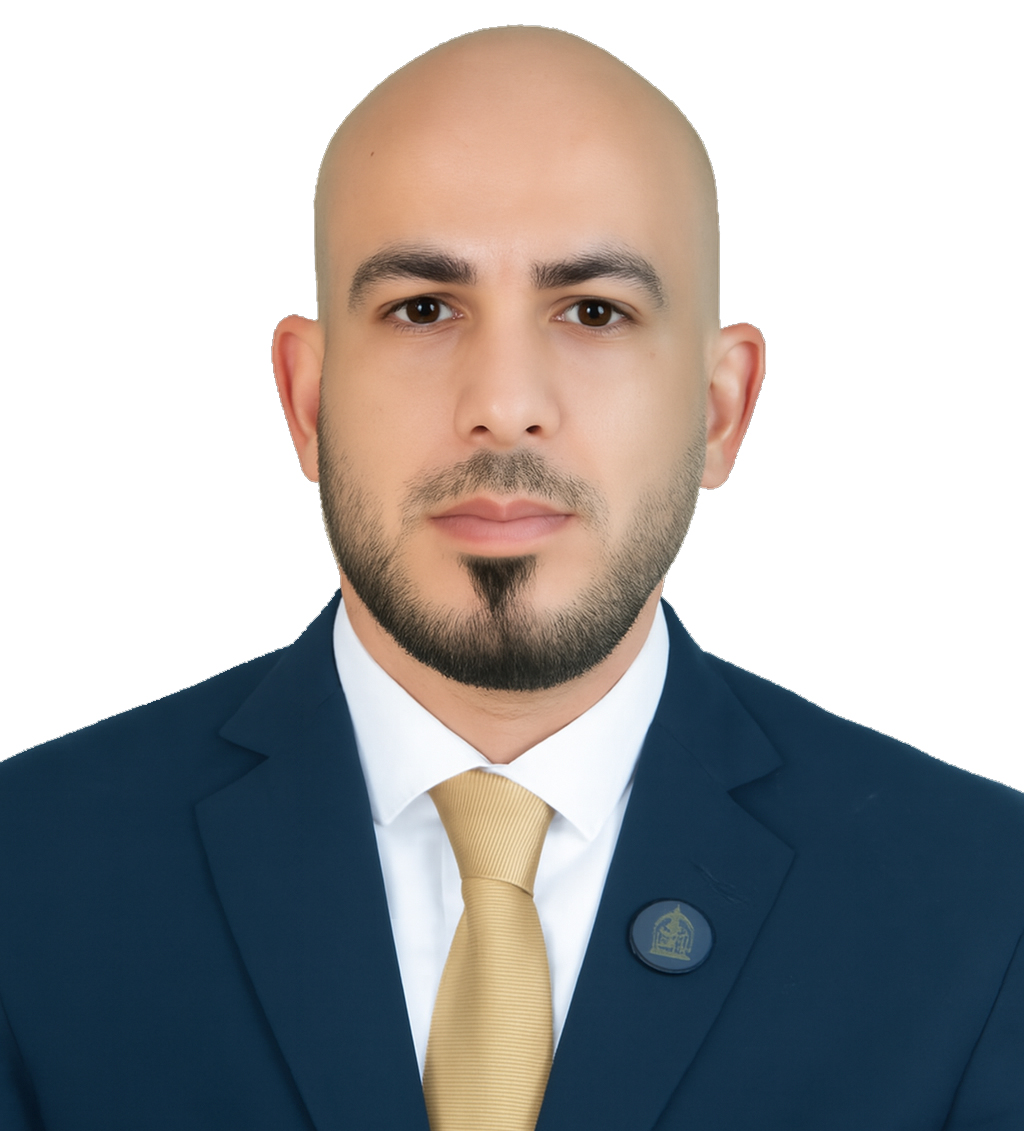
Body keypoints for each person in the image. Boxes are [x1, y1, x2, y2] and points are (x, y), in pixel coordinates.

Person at [1, 25, 1021, 1131]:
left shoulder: (985, 909)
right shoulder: (29, 878)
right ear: (307, 401)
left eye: (593, 311)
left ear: (719, 410)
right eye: (423, 308)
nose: (503, 403)